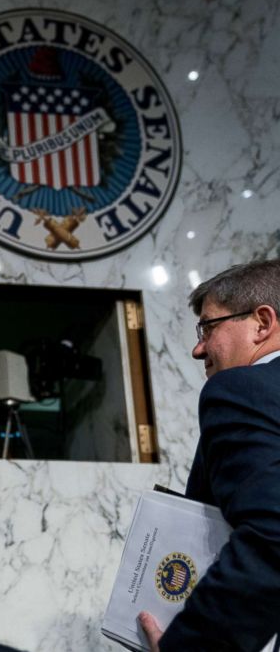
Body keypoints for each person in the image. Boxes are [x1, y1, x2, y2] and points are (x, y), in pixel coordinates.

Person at [139, 258, 280, 652]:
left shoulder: (240, 389)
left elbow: (273, 534)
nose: (198, 348)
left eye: (209, 326)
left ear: (263, 323)